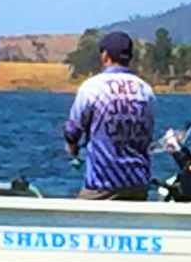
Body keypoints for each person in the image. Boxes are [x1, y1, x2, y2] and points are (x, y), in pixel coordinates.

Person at [63, 30, 156, 200]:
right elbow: (147, 134)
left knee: (75, 221)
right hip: (138, 185)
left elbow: (72, 130)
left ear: (105, 56)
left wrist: (72, 147)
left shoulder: (92, 87)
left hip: (102, 186)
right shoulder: (146, 91)